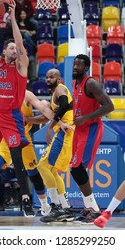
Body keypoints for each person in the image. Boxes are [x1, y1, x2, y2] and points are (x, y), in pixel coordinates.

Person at [0, 0, 37, 219]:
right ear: (4, 51)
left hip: (12, 117)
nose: (14, 49)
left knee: (17, 160)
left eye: (15, 48)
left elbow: (21, 45)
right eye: (10, 47)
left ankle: (26, 200)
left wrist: (11, 18)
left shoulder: (21, 66)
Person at [0, 90, 71, 220]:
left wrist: (60, 123)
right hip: (5, 138)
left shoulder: (26, 94)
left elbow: (44, 111)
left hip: (23, 138)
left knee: (33, 173)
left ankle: (44, 205)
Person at [68, 54, 114, 224]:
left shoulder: (91, 83)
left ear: (86, 68)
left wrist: (86, 117)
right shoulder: (75, 83)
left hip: (91, 129)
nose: (75, 67)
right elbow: (78, 102)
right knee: (75, 168)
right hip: (79, 130)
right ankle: (90, 208)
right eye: (74, 64)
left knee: (78, 168)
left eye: (79, 65)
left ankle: (94, 209)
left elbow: (109, 106)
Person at [28, 68, 75, 223]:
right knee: (52, 170)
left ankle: (55, 207)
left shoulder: (60, 89)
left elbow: (62, 106)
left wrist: (49, 128)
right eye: (47, 77)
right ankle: (65, 208)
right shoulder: (54, 93)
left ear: (59, 78)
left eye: (52, 76)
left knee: (42, 165)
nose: (48, 79)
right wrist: (27, 120)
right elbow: (45, 117)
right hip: (63, 132)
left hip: (64, 132)